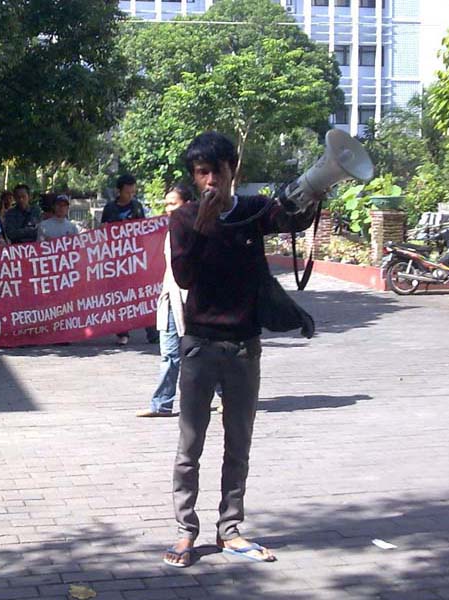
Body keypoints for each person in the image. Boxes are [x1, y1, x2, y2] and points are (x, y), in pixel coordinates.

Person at [162, 132, 318, 568]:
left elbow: (292, 219)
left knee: (239, 442)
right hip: (199, 345)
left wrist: (317, 187)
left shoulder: (252, 212)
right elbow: (186, 276)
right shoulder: (184, 219)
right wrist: (204, 224)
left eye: (218, 171)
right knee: (189, 446)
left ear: (234, 172)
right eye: (201, 173)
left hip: (244, 346)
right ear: (194, 178)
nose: (210, 180)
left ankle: (230, 528)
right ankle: (185, 530)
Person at [139, 184, 201, 417]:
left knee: (200, 353)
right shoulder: (170, 232)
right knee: (170, 354)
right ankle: (162, 404)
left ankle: (226, 396)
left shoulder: (199, 231)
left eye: (172, 203)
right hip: (170, 300)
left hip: (192, 302)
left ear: (187, 204)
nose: (167, 209)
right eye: (166, 204)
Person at [100, 174, 157, 346]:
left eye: (133, 192)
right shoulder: (109, 208)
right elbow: (103, 231)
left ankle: (152, 334)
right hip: (117, 259)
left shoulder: (138, 206)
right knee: (120, 297)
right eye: (127, 192)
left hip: (137, 258)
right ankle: (122, 333)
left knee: (143, 294)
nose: (131, 195)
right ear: (119, 191)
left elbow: (144, 228)